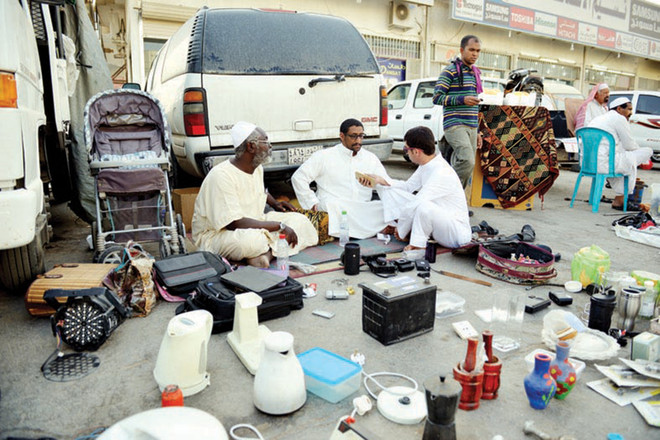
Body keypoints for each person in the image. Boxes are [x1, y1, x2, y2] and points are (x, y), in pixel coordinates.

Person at [192, 121, 318, 267]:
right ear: (251, 146)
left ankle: (266, 255)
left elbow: (260, 190)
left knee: (301, 222)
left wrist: (274, 203)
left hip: (256, 220)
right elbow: (234, 223)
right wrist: (280, 226)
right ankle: (268, 250)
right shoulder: (222, 175)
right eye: (265, 141)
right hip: (218, 234)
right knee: (250, 242)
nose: (270, 146)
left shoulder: (256, 168)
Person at [367, 126, 472, 250]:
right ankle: (407, 231)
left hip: (456, 234)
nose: (405, 152)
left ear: (416, 152)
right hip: (437, 221)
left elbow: (417, 203)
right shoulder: (426, 165)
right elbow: (407, 187)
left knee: (422, 206)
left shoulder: (441, 172)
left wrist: (401, 230)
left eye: (406, 149)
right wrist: (381, 181)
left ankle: (417, 244)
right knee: (388, 190)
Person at [291, 118, 390, 239]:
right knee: (337, 207)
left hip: (363, 208)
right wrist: (312, 203)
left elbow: (386, 183)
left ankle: (364, 228)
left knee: (382, 206)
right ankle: (373, 229)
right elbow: (298, 177)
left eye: (361, 136)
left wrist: (378, 181)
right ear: (342, 136)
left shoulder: (370, 158)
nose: (358, 140)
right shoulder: (325, 156)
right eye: (353, 136)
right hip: (335, 207)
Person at [433, 35, 483, 188]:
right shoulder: (450, 71)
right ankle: (441, 189)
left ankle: (454, 201)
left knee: (468, 167)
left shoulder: (476, 73)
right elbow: (437, 97)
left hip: (472, 126)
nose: (475, 54)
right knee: (467, 160)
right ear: (462, 50)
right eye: (471, 50)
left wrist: (479, 131)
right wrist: (462, 99)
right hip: (455, 123)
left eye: (478, 51)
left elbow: (475, 103)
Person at [588, 97, 653, 211]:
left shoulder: (599, 118)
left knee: (626, 159)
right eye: (629, 109)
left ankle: (619, 197)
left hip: (589, 163)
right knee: (645, 152)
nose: (631, 113)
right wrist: (644, 159)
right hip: (606, 163)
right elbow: (630, 145)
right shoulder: (619, 118)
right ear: (619, 108)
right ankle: (620, 200)